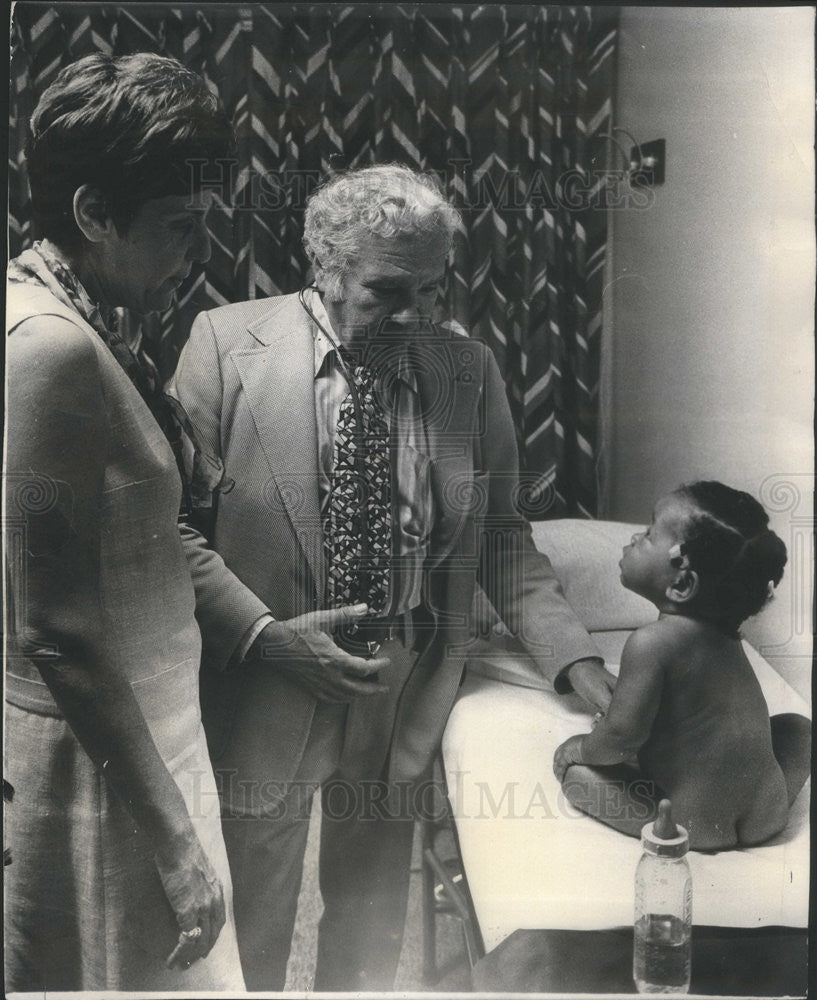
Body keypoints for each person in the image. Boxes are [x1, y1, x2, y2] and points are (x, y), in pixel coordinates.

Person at [170, 162, 616, 990]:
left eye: (434, 290)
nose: (415, 314)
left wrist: (579, 665)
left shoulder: (466, 370)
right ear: (326, 273)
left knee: (370, 925)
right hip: (268, 685)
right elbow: (171, 533)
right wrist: (264, 638)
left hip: (403, 683)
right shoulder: (225, 345)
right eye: (386, 291)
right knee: (253, 922)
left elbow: (501, 540)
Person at [4, 53, 245, 991]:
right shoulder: (53, 347)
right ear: (95, 215)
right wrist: (176, 842)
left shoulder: (71, 309)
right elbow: (54, 629)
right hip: (107, 770)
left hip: (143, 735)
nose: (197, 252)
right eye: (180, 227)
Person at [553, 481, 811, 851]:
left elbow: (621, 739)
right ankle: (757, 807)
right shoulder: (727, 633)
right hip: (766, 814)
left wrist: (579, 747)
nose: (633, 538)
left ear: (682, 584)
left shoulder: (650, 643)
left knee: (578, 779)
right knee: (798, 728)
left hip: (694, 824)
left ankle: (684, 820)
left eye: (648, 534)